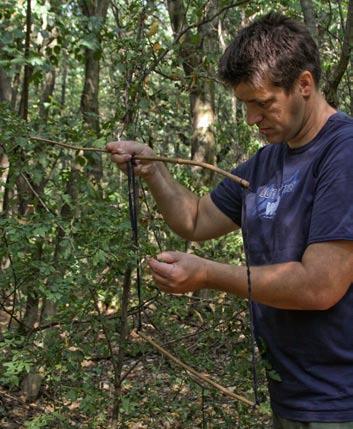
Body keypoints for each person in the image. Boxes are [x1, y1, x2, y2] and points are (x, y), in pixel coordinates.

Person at [106, 12, 353, 429]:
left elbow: (320, 286)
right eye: (245, 106)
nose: (252, 119)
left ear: (305, 85)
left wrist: (206, 274)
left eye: (262, 104)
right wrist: (153, 170)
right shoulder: (265, 163)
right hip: (292, 395)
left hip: (339, 401)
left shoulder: (342, 155)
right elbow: (196, 220)